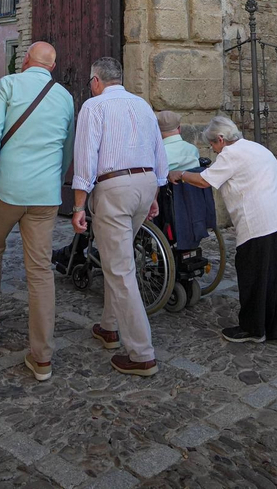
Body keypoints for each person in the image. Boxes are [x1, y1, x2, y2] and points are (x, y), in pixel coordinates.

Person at [0, 41, 76, 382]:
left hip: (7, 189)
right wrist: (55, 181)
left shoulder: (9, 84)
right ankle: (42, 356)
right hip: (45, 194)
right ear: (52, 67)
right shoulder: (66, 97)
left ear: (25, 60)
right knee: (40, 270)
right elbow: (66, 148)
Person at [170, 115, 277, 351]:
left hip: (259, 223)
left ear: (221, 139)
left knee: (253, 275)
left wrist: (181, 175)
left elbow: (205, 181)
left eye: (213, 145)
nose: (215, 151)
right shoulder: (256, 147)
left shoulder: (231, 153)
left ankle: (253, 328)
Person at [70, 58, 167, 376]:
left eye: (90, 82)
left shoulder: (94, 107)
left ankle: (141, 353)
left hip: (114, 188)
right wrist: (153, 195)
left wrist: (78, 206)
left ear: (96, 80)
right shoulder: (143, 105)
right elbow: (158, 152)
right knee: (118, 259)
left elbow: (85, 158)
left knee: (121, 268)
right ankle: (110, 327)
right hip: (145, 182)